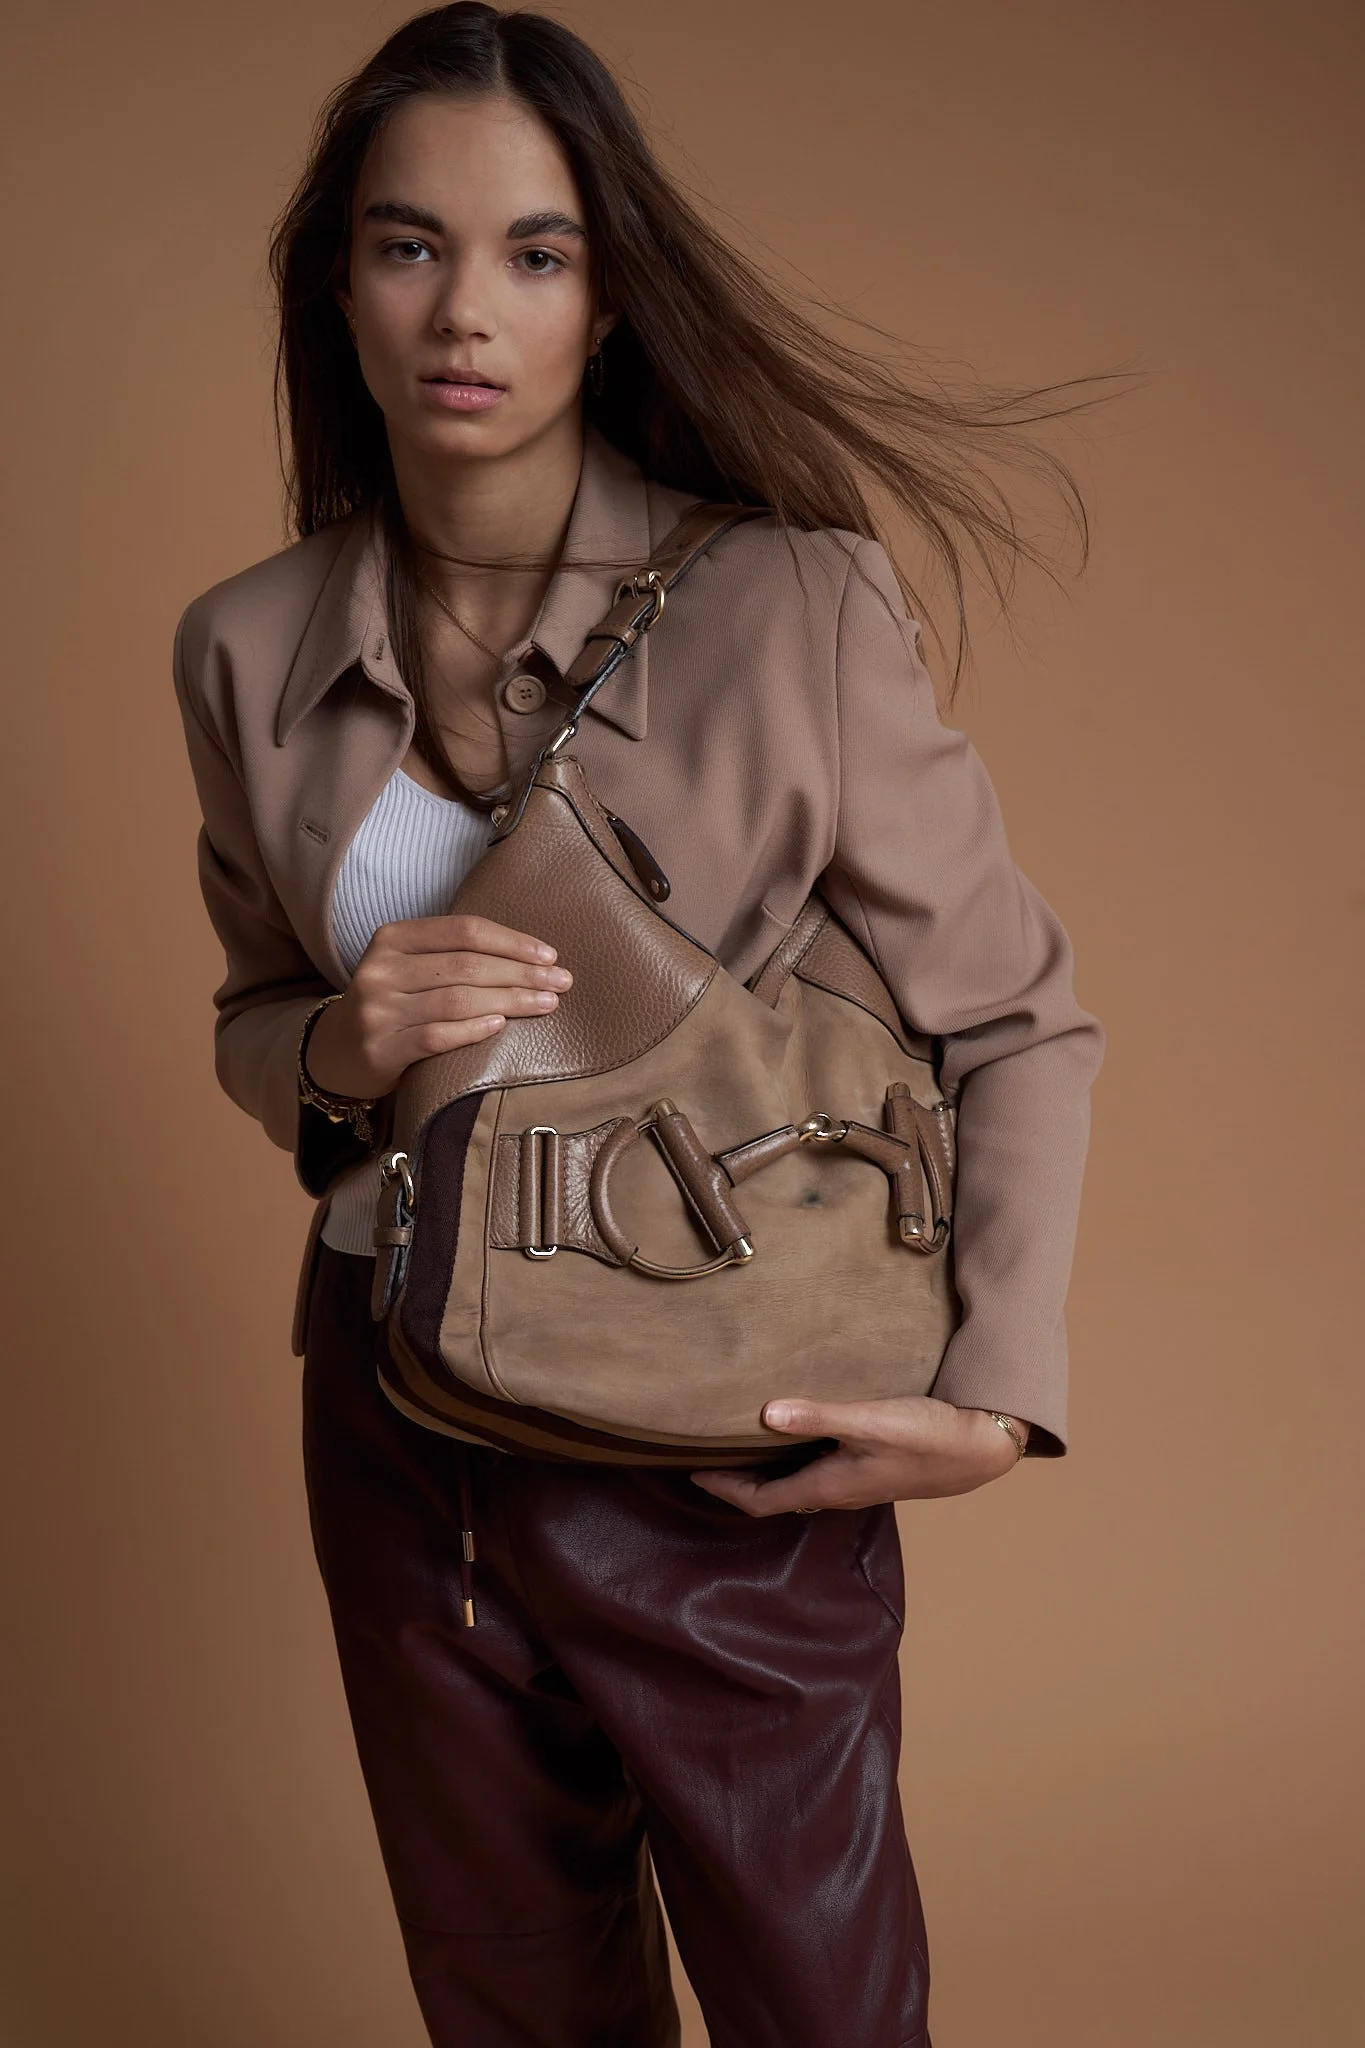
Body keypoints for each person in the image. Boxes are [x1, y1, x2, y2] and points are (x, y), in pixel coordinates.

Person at [170, 6, 1106, 2043]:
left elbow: (1018, 1017)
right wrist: (339, 1046)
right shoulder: (245, 646)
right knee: (510, 2001)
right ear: (336, 278)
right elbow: (256, 1015)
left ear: (608, 296)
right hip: (394, 1422)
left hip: (718, 1423)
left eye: (536, 251)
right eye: (409, 244)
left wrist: (992, 1390)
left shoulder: (800, 609)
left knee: (816, 2002)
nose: (465, 310)